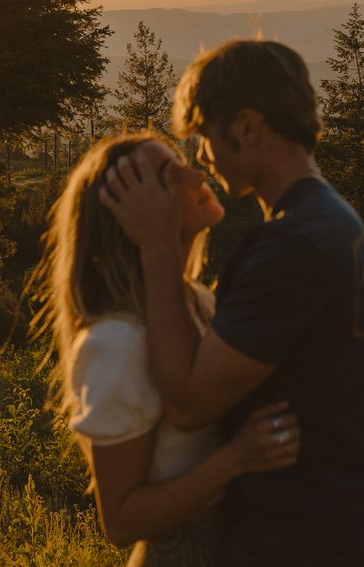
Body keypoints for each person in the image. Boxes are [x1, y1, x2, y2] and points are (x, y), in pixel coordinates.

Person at [100, 40, 364, 567]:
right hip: (351, 532)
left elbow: (190, 404)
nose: (202, 157)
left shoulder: (292, 245)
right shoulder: (331, 219)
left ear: (244, 127)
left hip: (306, 541)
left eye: (203, 136)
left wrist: (156, 247)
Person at [36, 130, 301, 567]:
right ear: (130, 214)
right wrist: (235, 460)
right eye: (167, 174)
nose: (197, 174)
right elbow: (120, 522)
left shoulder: (198, 300)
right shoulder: (115, 342)